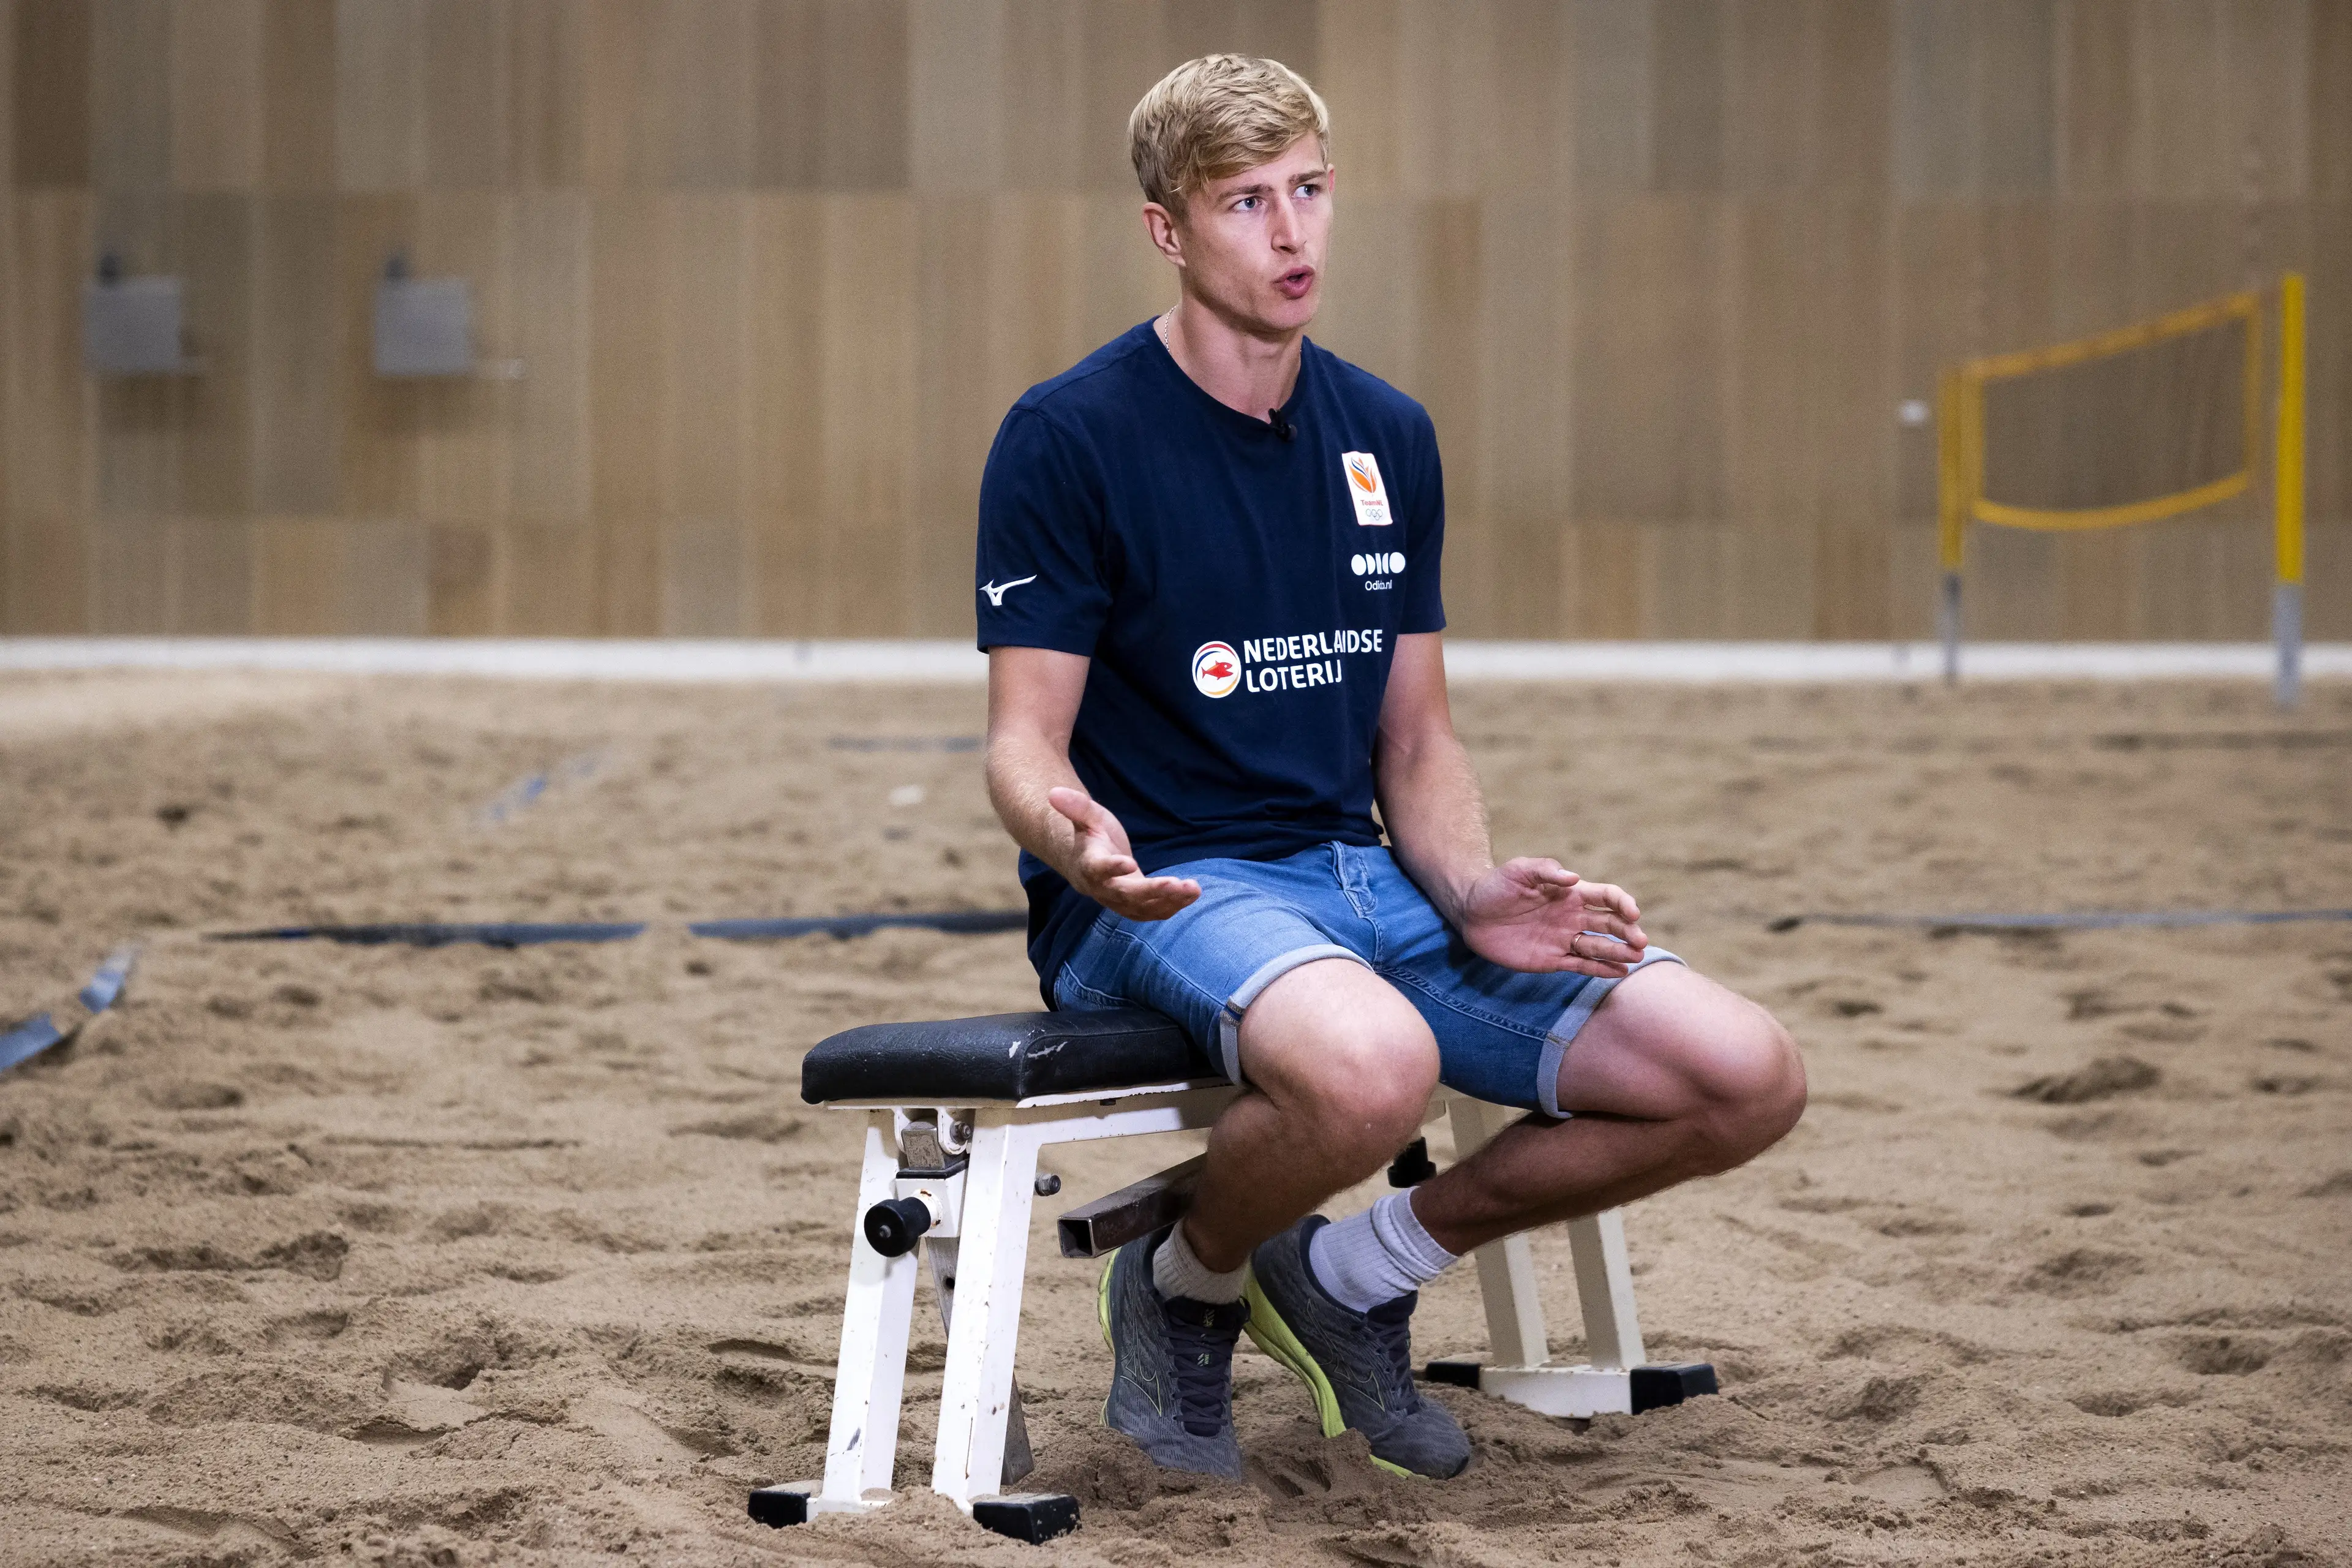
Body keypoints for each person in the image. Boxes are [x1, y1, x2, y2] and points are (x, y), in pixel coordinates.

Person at [975, 54, 1804, 1481]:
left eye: (1309, 191)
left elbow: (1415, 735)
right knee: (1379, 1070)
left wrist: (1475, 887)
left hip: (1362, 878)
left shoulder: (1387, 434)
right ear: (1169, 229)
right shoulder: (1070, 435)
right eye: (1247, 203)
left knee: (1743, 1073)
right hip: (1169, 891)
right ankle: (1184, 1280)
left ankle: (1355, 1273)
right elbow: (1021, 740)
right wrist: (1071, 839)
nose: (1292, 234)